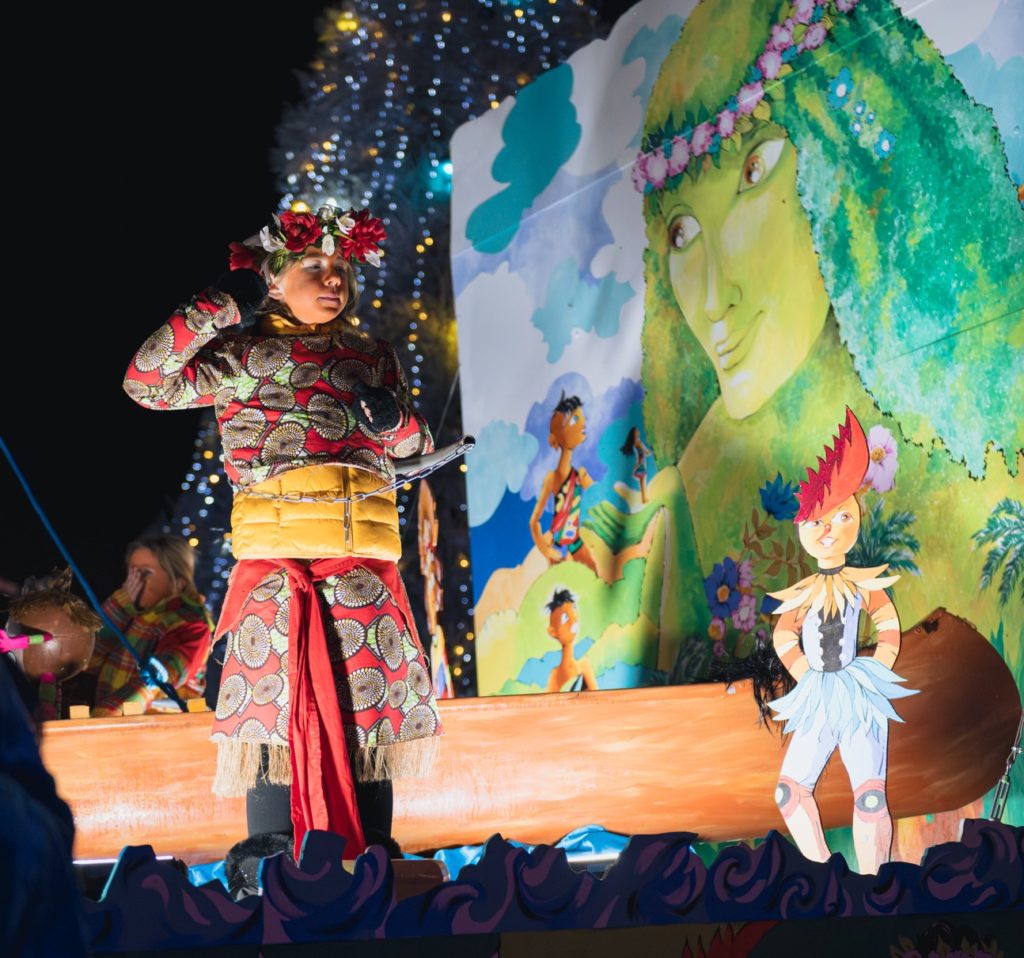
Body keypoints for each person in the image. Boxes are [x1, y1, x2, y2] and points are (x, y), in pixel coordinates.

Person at [593, 0, 1023, 670]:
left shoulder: (965, 424)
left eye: (753, 174)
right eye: (681, 231)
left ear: (837, 158)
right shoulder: (693, 487)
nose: (713, 298)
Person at [122, 205, 443, 856]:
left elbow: (417, 451)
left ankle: (374, 859)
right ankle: (268, 864)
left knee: (365, 727)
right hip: (275, 585)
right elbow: (145, 384)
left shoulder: (373, 356)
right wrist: (218, 307)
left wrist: (395, 423)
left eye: (341, 267)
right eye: (314, 266)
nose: (334, 278)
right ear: (272, 279)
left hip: (362, 582)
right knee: (272, 731)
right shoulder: (239, 355)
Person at [766, 408, 915, 873]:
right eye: (817, 522)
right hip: (817, 695)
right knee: (790, 791)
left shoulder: (861, 585)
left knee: (870, 796)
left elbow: (887, 623)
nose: (828, 530)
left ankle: (875, 886)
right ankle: (827, 877)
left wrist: (878, 670)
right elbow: (784, 632)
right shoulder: (804, 593)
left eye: (841, 516)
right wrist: (804, 672)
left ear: (855, 518)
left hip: (857, 692)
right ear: (802, 528)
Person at [86, 534, 212, 717]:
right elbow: (88, 657)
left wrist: (103, 717)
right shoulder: (131, 615)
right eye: (132, 572)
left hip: (158, 728)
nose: (134, 581)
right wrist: (119, 607)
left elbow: (153, 681)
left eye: (145, 573)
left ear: (178, 582)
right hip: (118, 724)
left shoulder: (191, 627)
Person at [529, 392, 599, 575]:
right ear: (558, 435)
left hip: (575, 541)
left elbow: (599, 496)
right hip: (558, 545)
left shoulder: (580, 475)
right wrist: (546, 550)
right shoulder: (552, 478)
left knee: (594, 577)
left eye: (581, 418)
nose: (582, 424)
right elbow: (534, 521)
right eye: (575, 419)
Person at [544, 588, 598, 692]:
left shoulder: (584, 665)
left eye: (573, 610)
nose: (573, 620)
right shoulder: (555, 676)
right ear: (552, 632)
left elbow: (596, 696)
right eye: (565, 617)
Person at [619, 426, 651, 505]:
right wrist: (636, 465)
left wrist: (649, 450)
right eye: (636, 432)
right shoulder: (634, 445)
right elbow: (637, 456)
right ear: (633, 435)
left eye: (638, 432)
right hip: (638, 465)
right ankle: (644, 498)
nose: (638, 433)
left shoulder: (640, 443)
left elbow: (646, 453)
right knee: (642, 482)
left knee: (643, 482)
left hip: (641, 465)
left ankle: (644, 498)